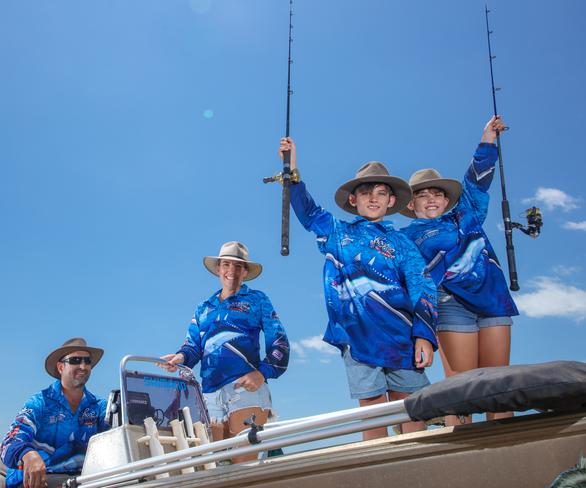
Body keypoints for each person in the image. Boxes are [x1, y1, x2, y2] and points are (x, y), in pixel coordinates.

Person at [280, 138, 437, 440]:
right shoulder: (336, 232)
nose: (373, 198)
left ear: (392, 201)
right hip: (357, 338)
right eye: (365, 192)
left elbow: (422, 286)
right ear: (353, 200)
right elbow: (308, 211)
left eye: (381, 193)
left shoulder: (402, 243)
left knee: (413, 411)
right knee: (373, 413)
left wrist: (425, 336)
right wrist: (292, 168)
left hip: (402, 337)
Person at [399, 115, 519, 425]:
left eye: (436, 193)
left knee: (498, 383)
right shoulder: (406, 237)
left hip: (492, 301)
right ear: (410, 204)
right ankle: (461, 455)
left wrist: (487, 138)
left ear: (447, 199)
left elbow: (477, 180)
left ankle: (508, 448)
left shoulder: (468, 215)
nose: (431, 199)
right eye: (422, 195)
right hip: (451, 307)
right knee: (462, 388)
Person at [159, 241, 289, 462]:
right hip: (209, 395)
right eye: (226, 264)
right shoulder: (204, 307)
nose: (231, 271)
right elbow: (193, 346)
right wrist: (180, 358)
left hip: (245, 391)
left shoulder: (257, 300)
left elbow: (280, 342)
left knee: (245, 465)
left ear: (245, 271)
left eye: (238, 266)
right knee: (214, 466)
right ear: (218, 268)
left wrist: (262, 373)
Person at [0, 338, 109, 488]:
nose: (83, 366)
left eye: (87, 361)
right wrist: (28, 455)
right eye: (75, 360)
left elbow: (119, 429)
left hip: (80, 480)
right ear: (60, 367)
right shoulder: (40, 402)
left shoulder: (99, 406)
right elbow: (10, 441)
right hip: (36, 480)